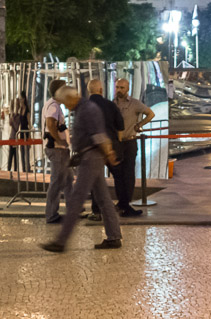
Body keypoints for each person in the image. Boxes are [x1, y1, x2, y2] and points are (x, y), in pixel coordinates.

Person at [40, 86, 121, 253]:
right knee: (103, 199)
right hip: (92, 156)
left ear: (71, 98)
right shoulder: (83, 108)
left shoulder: (87, 109)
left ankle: (60, 242)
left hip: (91, 157)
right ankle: (114, 236)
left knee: (77, 198)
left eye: (65, 102)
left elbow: (98, 134)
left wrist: (109, 152)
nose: (65, 106)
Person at [113, 78, 155, 217]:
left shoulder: (134, 103)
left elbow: (150, 114)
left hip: (130, 142)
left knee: (128, 174)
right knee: (118, 175)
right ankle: (122, 203)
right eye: (117, 87)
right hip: (117, 143)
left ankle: (126, 204)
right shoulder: (112, 104)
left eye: (122, 87)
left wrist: (139, 125)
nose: (119, 90)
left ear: (128, 89)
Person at [86, 78, 124, 222]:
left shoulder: (84, 107)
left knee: (95, 179)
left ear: (89, 91)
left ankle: (96, 211)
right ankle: (123, 206)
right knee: (119, 176)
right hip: (111, 147)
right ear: (101, 90)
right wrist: (117, 142)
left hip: (93, 148)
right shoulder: (110, 105)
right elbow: (120, 125)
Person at [43, 79, 72, 224]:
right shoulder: (53, 106)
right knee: (56, 182)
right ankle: (51, 214)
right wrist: (59, 141)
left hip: (60, 149)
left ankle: (72, 208)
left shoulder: (53, 104)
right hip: (57, 149)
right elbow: (50, 123)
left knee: (67, 179)